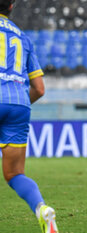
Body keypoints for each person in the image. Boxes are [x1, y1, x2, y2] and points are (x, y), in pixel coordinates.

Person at [0, 1, 58, 232]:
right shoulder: (23, 37)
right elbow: (40, 88)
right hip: (19, 104)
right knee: (14, 174)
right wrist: (15, 104)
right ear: (12, 6)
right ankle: (41, 208)